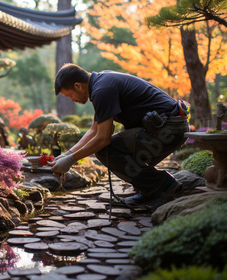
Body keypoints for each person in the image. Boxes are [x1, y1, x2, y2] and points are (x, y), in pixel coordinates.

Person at [49, 63, 189, 211]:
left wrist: (71, 160)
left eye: (69, 95)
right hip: (165, 128)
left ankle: (164, 186)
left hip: (169, 130)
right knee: (115, 147)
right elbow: (95, 129)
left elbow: (103, 138)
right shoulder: (101, 83)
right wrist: (67, 154)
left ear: (78, 86)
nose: (72, 100)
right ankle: (150, 190)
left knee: (106, 150)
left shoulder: (102, 89)